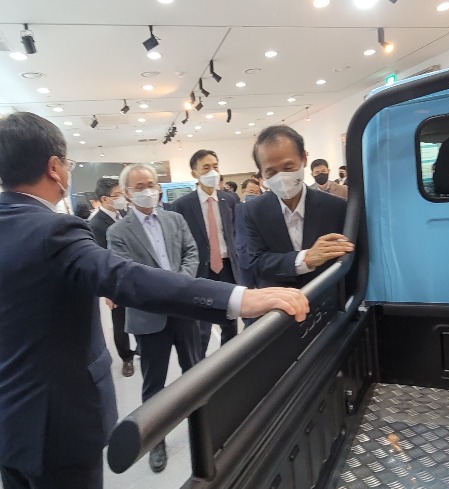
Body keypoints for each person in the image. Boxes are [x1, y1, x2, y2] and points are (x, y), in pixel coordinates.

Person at [0, 112, 308, 489]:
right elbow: (124, 277)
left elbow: (187, 253)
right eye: (67, 163)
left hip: (11, 420)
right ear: (54, 167)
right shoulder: (54, 230)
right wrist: (239, 297)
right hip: (57, 423)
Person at [107, 164, 205, 473]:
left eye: (151, 184)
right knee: (154, 384)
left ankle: (203, 425)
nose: (147, 190)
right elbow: (127, 275)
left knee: (196, 372)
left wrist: (180, 287)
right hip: (148, 318)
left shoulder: (175, 219)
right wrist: (169, 292)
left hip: (185, 311)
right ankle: (155, 440)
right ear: (127, 193)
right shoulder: (117, 232)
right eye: (139, 186)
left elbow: (191, 252)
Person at [245, 125, 354, 288]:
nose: (281, 177)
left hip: (325, 297)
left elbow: (349, 261)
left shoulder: (336, 208)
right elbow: (256, 262)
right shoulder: (253, 211)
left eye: (288, 168)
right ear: (261, 173)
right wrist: (305, 259)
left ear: (304, 158)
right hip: (279, 300)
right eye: (271, 172)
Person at [171, 150, 240, 355]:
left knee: (230, 320)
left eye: (215, 166)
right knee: (202, 326)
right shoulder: (182, 205)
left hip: (228, 267)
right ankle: (199, 363)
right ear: (195, 173)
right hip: (201, 268)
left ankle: (229, 359)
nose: (213, 172)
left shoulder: (230, 199)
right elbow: (178, 242)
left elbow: (235, 232)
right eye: (206, 168)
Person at [88, 178, 136, 377]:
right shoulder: (96, 224)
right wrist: (108, 291)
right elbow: (100, 259)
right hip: (115, 281)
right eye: (117, 195)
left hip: (134, 273)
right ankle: (126, 358)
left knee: (139, 315)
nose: (122, 199)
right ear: (105, 199)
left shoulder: (125, 214)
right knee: (120, 321)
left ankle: (139, 347)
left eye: (122, 194)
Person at [235, 179, 262, 289]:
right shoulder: (235, 209)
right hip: (243, 255)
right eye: (251, 192)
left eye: (257, 193)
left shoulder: (263, 209)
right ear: (243, 192)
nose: (254, 195)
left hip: (261, 256)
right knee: (245, 290)